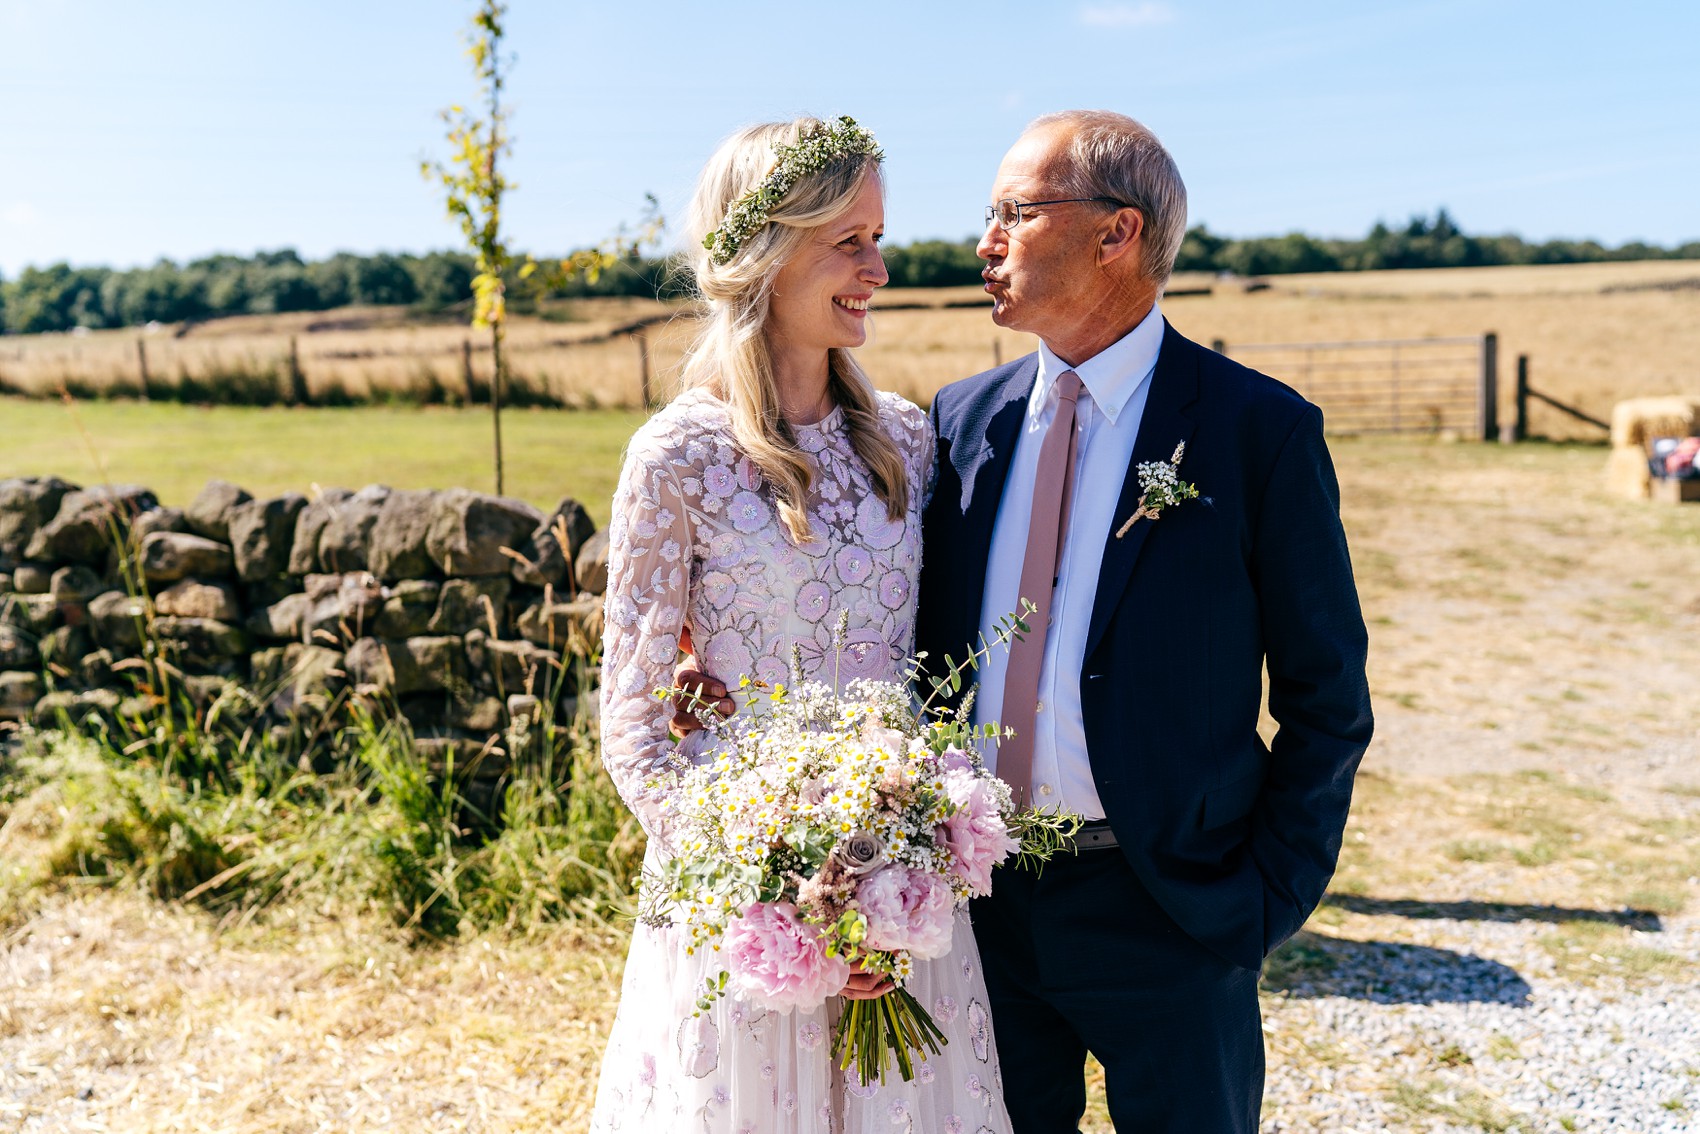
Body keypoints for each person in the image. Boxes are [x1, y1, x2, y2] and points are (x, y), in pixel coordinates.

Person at [678, 109, 1374, 1133]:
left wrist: (1261, 900)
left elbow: (1327, 697)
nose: (983, 242)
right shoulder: (953, 424)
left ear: (1114, 234)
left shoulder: (1254, 432)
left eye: (1014, 212)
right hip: (973, 917)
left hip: (1174, 909)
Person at [589, 116, 1013, 1134]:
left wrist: (900, 861)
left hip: (903, 887)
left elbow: (935, 668)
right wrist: (772, 891)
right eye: (849, 239)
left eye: (879, 234)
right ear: (768, 251)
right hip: (743, 906)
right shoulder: (675, 458)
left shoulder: (909, 441)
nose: (878, 264)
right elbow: (635, 726)